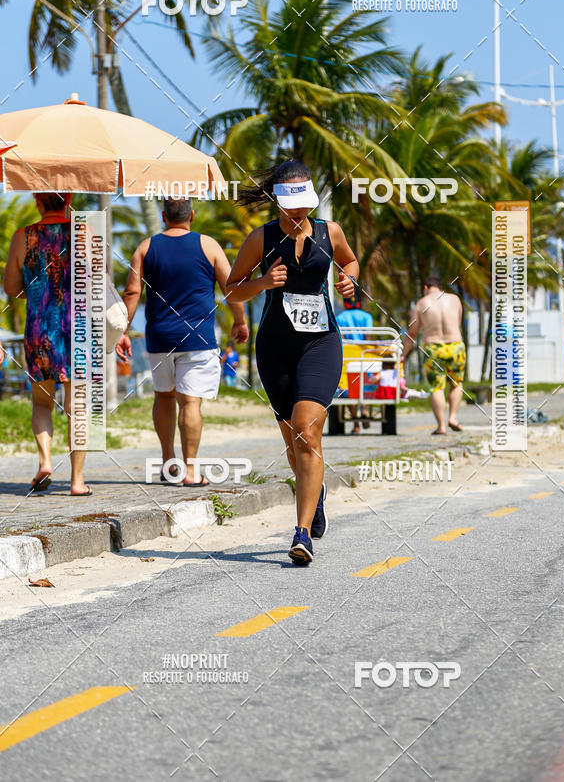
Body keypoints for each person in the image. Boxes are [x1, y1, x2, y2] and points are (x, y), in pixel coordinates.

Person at [226, 160, 359, 566]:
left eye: (304, 203)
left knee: (307, 429)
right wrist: (263, 283)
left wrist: (349, 279)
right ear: (278, 200)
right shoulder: (261, 238)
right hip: (275, 347)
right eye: (291, 203)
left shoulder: (328, 232)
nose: (298, 211)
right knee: (293, 439)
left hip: (321, 344)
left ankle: (301, 533)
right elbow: (232, 289)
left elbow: (350, 261)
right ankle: (312, 493)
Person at [116, 197, 248, 486]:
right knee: (190, 403)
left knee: (163, 396)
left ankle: (168, 463)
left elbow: (131, 293)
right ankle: (190, 471)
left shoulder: (146, 247)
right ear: (192, 216)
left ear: (163, 216)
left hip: (160, 336)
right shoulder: (208, 245)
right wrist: (239, 321)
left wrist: (123, 331)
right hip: (197, 338)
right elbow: (231, 287)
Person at [3, 193, 90, 495]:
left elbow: (12, 289)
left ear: (38, 203)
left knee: (42, 403)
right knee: (76, 407)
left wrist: (39, 292)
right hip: (76, 330)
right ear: (69, 201)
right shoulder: (84, 234)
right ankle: (77, 481)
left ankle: (45, 461)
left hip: (39, 330)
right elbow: (98, 283)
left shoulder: (23, 236)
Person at [402, 277, 465, 435]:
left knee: (437, 387)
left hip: (434, 348)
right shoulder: (455, 299)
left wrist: (403, 354)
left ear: (425, 287)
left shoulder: (421, 304)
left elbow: (412, 333)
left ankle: (441, 426)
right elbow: (457, 323)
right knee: (456, 383)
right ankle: (453, 418)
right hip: (455, 346)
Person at [336, 295, 374, 433]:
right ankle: (363, 410)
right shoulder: (366, 316)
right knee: (365, 384)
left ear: (345, 304)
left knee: (348, 389)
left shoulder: (340, 318)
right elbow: (367, 338)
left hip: (348, 356)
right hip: (363, 355)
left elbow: (341, 339)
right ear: (358, 303)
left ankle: (356, 424)